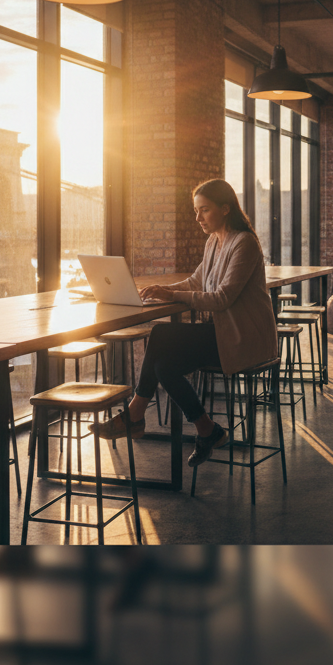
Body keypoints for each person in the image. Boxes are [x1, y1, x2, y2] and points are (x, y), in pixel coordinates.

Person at [91, 179, 277, 468]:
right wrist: (165, 291)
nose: (198, 218)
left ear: (225, 209)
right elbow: (196, 282)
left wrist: (174, 294)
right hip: (221, 333)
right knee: (164, 366)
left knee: (162, 333)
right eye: (196, 210)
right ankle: (207, 430)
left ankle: (135, 416)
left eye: (204, 210)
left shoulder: (245, 243)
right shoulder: (214, 241)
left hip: (244, 338)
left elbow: (222, 298)